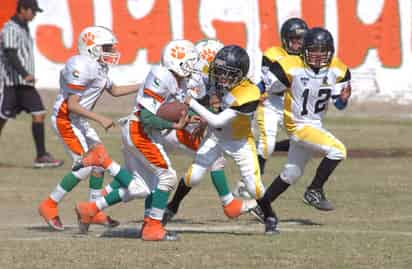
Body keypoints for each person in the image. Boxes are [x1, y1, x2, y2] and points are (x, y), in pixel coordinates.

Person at [74, 39, 199, 241]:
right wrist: (174, 125)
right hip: (140, 130)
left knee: (141, 187)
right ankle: (152, 227)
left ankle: (90, 209)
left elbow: (174, 108)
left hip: (141, 130)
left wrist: (192, 115)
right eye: (190, 61)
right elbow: (148, 116)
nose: (194, 66)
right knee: (167, 176)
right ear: (178, 62)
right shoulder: (162, 75)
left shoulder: (177, 79)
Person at [37, 26, 147, 231]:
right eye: (105, 47)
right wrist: (100, 118)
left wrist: (143, 85)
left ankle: (94, 210)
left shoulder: (100, 67)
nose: (110, 52)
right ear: (91, 48)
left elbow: (114, 90)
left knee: (98, 163)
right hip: (66, 120)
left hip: (79, 120)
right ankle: (49, 204)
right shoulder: (80, 65)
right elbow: (72, 105)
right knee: (86, 165)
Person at [256, 27, 352, 234]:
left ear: (331, 51)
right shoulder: (290, 66)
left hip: (314, 124)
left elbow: (339, 104)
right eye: (313, 50)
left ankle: (260, 207)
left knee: (291, 173)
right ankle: (314, 190)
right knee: (338, 150)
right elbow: (263, 85)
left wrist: (343, 99)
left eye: (322, 50)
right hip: (298, 125)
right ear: (304, 51)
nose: (318, 55)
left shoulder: (339, 70)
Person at [183, 45, 278, 234]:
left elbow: (217, 117)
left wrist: (190, 101)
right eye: (219, 71)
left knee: (253, 186)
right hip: (216, 134)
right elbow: (198, 77)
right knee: (193, 176)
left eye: (227, 73)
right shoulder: (213, 76)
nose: (221, 77)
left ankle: (270, 216)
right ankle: (171, 208)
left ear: (240, 75)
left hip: (239, 139)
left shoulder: (248, 92)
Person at [162, 39, 257, 225]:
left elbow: (214, 104)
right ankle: (228, 205)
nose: (221, 73)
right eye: (218, 67)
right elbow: (181, 107)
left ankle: (171, 208)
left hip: (186, 123)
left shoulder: (212, 77)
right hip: (170, 126)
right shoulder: (196, 78)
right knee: (211, 161)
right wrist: (199, 116)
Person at [233, 17, 308, 199]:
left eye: (301, 39)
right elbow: (274, 84)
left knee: (306, 143)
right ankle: (248, 182)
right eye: (294, 39)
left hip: (294, 105)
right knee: (267, 145)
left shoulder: (308, 57)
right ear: (285, 39)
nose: (298, 44)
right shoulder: (273, 54)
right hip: (272, 103)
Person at [0, 0, 63, 168]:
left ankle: (41, 156)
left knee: (39, 113)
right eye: (32, 11)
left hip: (25, 86)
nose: (34, 15)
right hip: (12, 84)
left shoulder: (23, 27)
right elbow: (10, 53)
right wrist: (24, 74)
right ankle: (41, 156)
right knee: (2, 118)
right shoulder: (10, 28)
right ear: (22, 9)